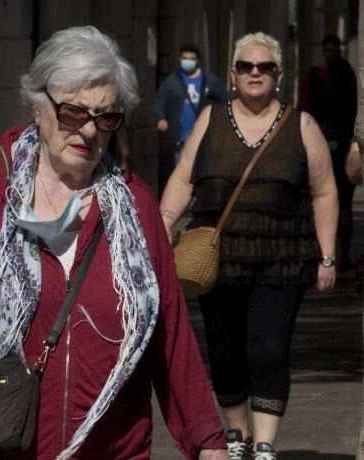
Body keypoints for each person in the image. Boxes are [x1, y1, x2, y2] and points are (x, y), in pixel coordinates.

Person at [0, 26, 228, 460]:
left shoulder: (136, 207)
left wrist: (208, 443)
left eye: (106, 117)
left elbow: (170, 339)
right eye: (73, 113)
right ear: (39, 107)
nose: (89, 131)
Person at [160, 32, 338, 460]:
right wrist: (163, 227)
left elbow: (325, 192)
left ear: (278, 75)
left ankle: (264, 443)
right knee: (224, 348)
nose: (254, 73)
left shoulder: (303, 125)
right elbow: (184, 178)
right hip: (218, 258)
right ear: (233, 74)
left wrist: (328, 256)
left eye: (263, 67)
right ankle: (236, 434)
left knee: (268, 347)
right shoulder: (210, 119)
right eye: (245, 66)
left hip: (283, 257)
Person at [298, 34, 357, 268]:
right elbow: (304, 109)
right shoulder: (314, 76)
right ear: (323, 51)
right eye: (328, 50)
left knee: (343, 203)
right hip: (319, 145)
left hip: (342, 147)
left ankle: (341, 255)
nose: (332, 54)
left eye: (335, 50)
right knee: (319, 200)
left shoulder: (348, 77)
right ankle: (323, 253)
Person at [155, 43, 228, 194]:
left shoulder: (210, 80)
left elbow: (225, 100)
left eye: (191, 59)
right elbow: (160, 100)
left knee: (201, 170)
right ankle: (185, 200)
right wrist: (161, 118)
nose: (188, 61)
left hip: (203, 136)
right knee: (181, 171)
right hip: (179, 137)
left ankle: (198, 198)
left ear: (198, 60)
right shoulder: (172, 81)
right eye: (185, 58)